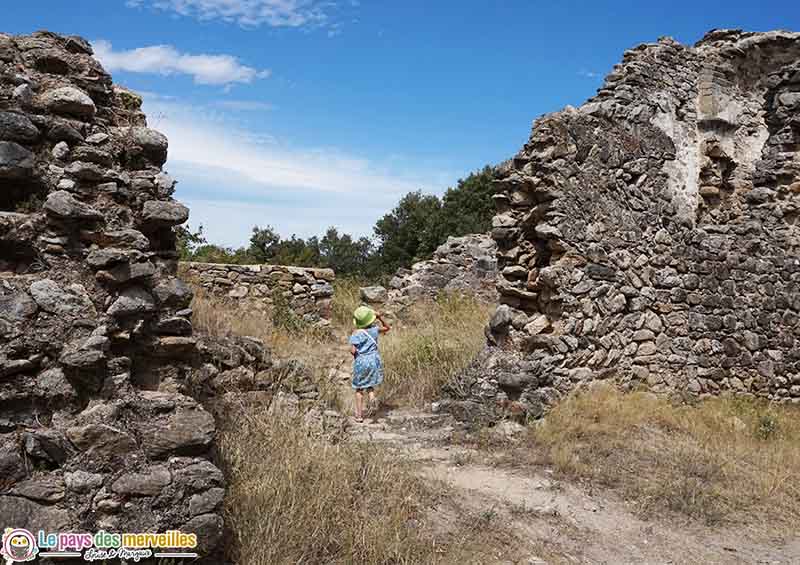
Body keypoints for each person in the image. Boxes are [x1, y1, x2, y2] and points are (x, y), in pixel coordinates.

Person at [349, 305, 391, 422]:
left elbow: (352, 350)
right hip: (374, 360)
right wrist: (380, 317)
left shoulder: (356, 333)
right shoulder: (374, 330)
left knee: (359, 388)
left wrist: (356, 353)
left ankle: (358, 416)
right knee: (370, 382)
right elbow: (387, 328)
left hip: (362, 361)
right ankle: (372, 397)